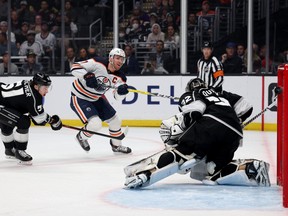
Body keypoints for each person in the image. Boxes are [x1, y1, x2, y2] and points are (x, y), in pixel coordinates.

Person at [124, 78, 270, 189]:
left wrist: (184, 138)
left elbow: (195, 111)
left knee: (182, 152)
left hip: (210, 125)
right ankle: (250, 168)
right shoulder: (221, 93)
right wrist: (235, 121)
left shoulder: (193, 93)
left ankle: (143, 173)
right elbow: (246, 107)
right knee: (211, 170)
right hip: (234, 134)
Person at [70, 47, 132, 154]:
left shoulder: (120, 77)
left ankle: (116, 146)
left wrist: (121, 92)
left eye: (122, 59)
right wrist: (86, 76)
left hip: (97, 98)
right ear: (111, 58)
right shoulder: (98, 62)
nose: (120, 61)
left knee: (116, 121)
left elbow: (117, 97)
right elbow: (74, 67)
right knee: (95, 124)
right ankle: (81, 137)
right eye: (118, 58)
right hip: (80, 97)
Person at [0, 73, 62, 165]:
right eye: (45, 87)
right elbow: (39, 119)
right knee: (23, 122)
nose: (47, 90)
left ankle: (9, 150)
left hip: (3, 101)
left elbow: (19, 103)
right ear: (36, 86)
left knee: (10, 121)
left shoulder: (28, 84)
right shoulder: (34, 97)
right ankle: (20, 151)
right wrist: (53, 121)